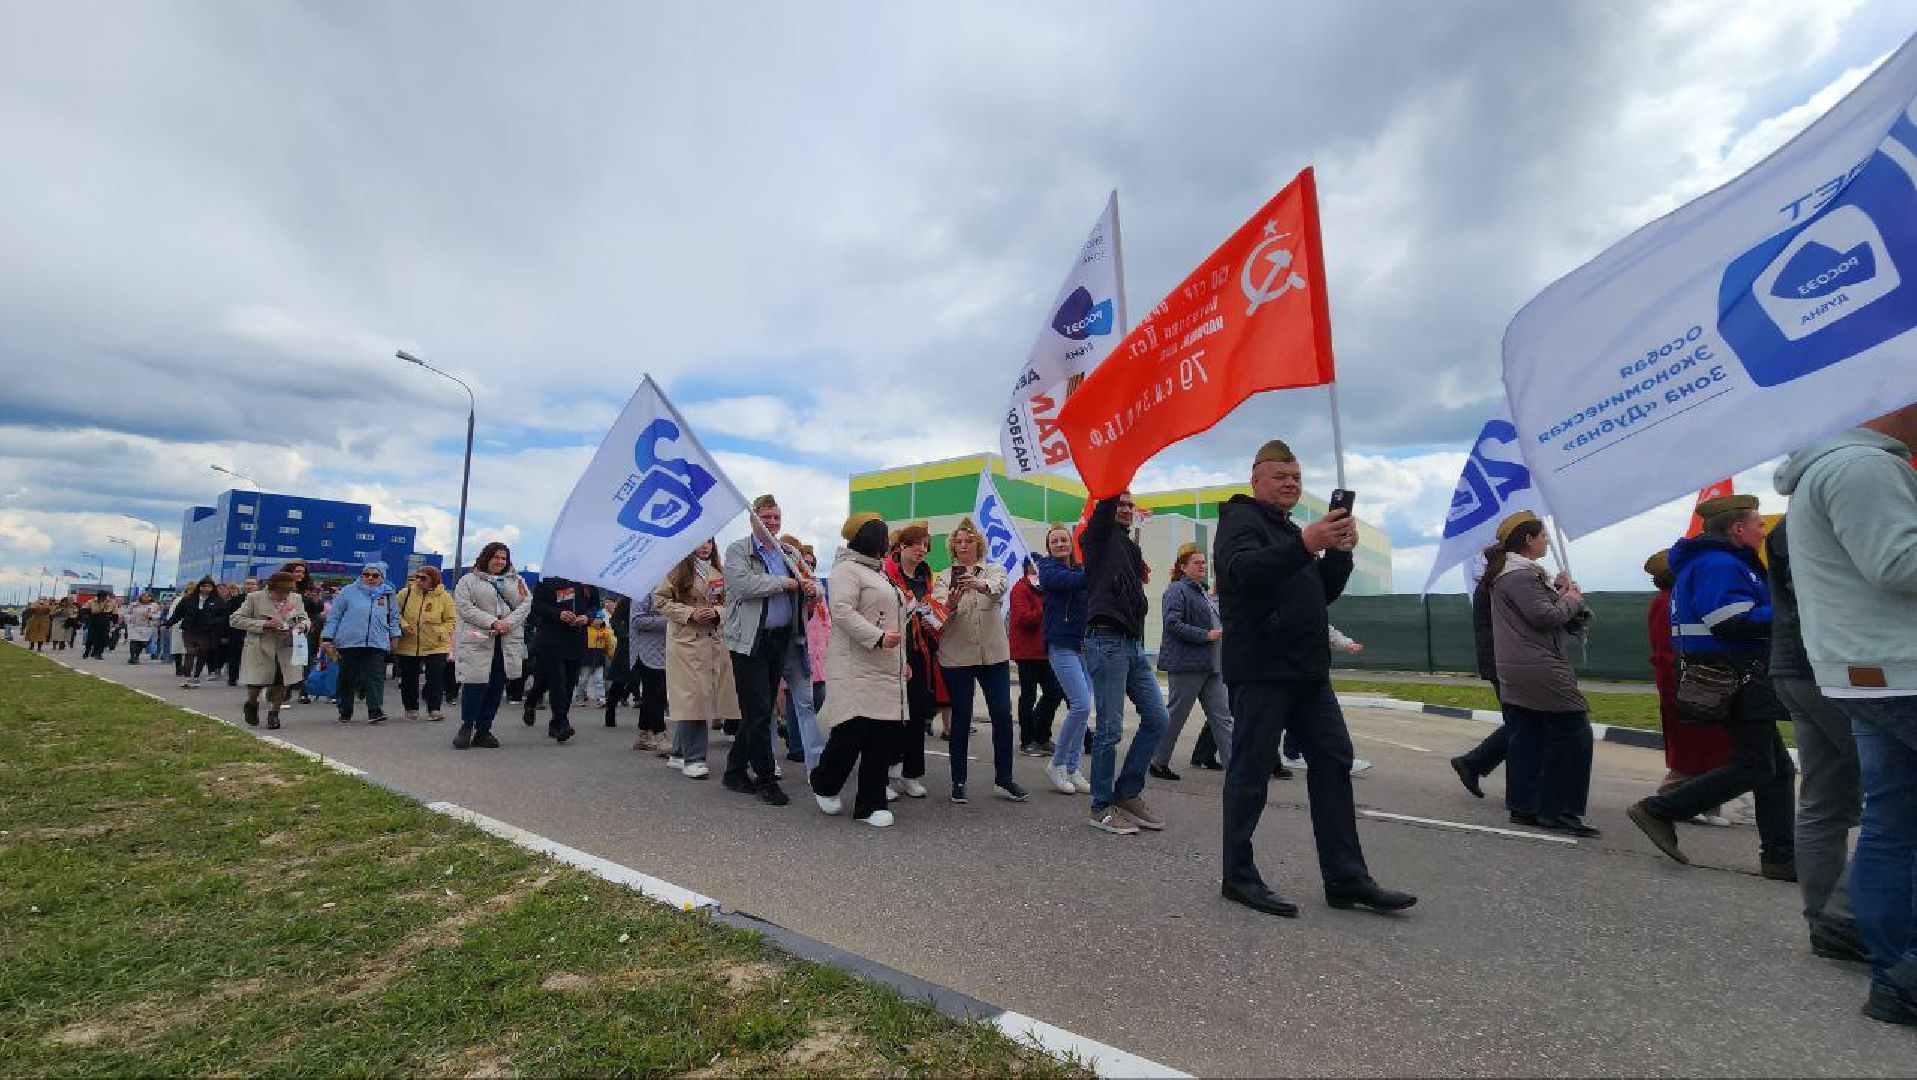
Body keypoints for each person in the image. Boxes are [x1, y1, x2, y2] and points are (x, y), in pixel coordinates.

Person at [1214, 439, 1416, 917]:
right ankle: (1238, 876)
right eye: (1280, 476)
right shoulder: (1240, 521)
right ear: (1256, 480)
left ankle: (1345, 878)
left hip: (1307, 670)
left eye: (1297, 477)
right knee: (1251, 770)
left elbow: (1318, 594)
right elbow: (1243, 573)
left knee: (1333, 758)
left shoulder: (1290, 530)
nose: (1291, 483)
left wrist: (1339, 552)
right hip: (1263, 669)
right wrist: (1306, 543)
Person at [1772, 404, 1917, 1026]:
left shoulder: (1832, 468)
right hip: (1902, 667)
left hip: (1868, 669)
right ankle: (1902, 972)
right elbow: (1897, 563)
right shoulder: (1862, 466)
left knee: (1891, 821)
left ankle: (1894, 969)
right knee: (1881, 819)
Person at [1626, 495, 1797, 880]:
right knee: (1757, 766)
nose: (1762, 531)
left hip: (1733, 675)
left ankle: (1780, 856)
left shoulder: (1714, 562)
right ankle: (1659, 810)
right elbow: (1729, 620)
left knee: (1777, 769)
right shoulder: (1720, 564)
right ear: (1738, 529)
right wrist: (1791, 611)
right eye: (1757, 524)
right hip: (1736, 676)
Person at [1766, 518, 1869, 964]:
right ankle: (1844, 918)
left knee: (1823, 801)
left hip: (1798, 665)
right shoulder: (1836, 506)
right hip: (1840, 667)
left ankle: (1825, 919)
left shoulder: (1789, 525)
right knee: (1896, 796)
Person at [1484, 511, 1597, 836]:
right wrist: (1572, 599)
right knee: (1573, 734)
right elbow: (1544, 617)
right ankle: (1559, 809)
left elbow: (1536, 612)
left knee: (1528, 735)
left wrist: (1559, 591)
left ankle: (1525, 805)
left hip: (1519, 666)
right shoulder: (1520, 576)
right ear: (1528, 540)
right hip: (1539, 666)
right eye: (1543, 535)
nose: (1546, 540)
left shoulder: (1511, 575)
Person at [1079, 492, 1171, 835]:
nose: (1127, 509)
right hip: (1106, 641)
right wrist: (1112, 486)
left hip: (1132, 645)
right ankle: (1101, 806)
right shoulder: (1096, 536)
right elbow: (1104, 505)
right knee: (1110, 729)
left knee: (1158, 718)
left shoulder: (1129, 547)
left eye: (1130, 504)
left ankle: (1128, 793)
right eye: (1120, 504)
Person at [811, 512, 908, 827]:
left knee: (880, 736)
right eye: (882, 535)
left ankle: (870, 804)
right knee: (851, 730)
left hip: (883, 664)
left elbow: (895, 621)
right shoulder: (846, 570)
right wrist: (877, 637)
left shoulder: (881, 573)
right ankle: (824, 782)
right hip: (856, 663)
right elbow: (841, 611)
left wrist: (902, 661)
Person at [721, 495, 819, 804]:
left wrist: (812, 589)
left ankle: (734, 771)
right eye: (766, 517)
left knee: (759, 711)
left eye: (776, 517)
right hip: (750, 640)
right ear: (753, 520)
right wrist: (785, 583)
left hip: (781, 639)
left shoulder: (789, 552)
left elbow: (809, 580)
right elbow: (744, 586)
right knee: (759, 711)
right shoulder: (738, 550)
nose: (772, 523)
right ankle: (765, 779)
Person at [932, 518, 1027, 803]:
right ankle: (958, 781)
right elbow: (937, 616)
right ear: (952, 547)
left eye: (968, 541)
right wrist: (950, 603)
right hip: (957, 656)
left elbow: (999, 588)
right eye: (958, 542)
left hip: (993, 655)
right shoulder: (943, 578)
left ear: (978, 545)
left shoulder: (994, 570)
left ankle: (1004, 779)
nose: (963, 546)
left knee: (1002, 716)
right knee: (961, 719)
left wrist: (979, 584)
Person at [1645, 550, 1734, 822]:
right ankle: (1671, 800)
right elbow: (1668, 648)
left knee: (1708, 745)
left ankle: (1706, 805)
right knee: (1694, 748)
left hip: (1689, 680)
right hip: (1683, 682)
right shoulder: (1667, 602)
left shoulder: (1673, 599)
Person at [655, 538, 735, 779]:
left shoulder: (718, 571)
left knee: (697, 697)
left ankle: (679, 753)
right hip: (687, 641)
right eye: (700, 541)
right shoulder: (676, 569)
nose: (705, 546)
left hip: (712, 640)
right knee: (694, 698)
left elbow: (731, 602)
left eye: (709, 541)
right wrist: (690, 613)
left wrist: (716, 612)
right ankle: (695, 758)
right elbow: (660, 600)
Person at [1153, 543, 1233, 783]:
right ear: (1183, 567)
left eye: (1203, 562)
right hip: (1187, 665)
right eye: (1197, 562)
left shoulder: (1201, 591)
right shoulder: (1177, 590)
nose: (1202, 566)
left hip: (1212, 665)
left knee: (1223, 717)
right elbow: (1172, 623)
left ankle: (1236, 769)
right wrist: (1205, 635)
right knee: (1176, 716)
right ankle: (1157, 762)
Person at [451, 542, 532, 749]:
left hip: (505, 640)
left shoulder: (517, 581)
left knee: (496, 686)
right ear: (486, 557)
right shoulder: (468, 580)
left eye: (504, 558)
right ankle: (467, 726)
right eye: (496, 557)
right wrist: (492, 622)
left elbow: (525, 605)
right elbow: (465, 607)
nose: (500, 561)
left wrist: (507, 623)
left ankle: (484, 729)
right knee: (475, 683)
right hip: (478, 637)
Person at [883, 523, 939, 800]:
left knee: (917, 712)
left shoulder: (925, 576)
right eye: (917, 544)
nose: (922, 550)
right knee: (890, 715)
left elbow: (930, 610)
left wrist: (934, 620)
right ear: (902, 546)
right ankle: (884, 774)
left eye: (926, 545)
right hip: (892, 647)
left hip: (919, 650)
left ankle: (911, 774)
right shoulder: (886, 573)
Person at [1037, 524, 1092, 795]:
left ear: (1071, 544)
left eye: (1063, 540)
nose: (1060, 544)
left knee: (1084, 709)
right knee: (1080, 704)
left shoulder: (1080, 569)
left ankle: (1072, 767)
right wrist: (1099, 567)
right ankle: (1057, 763)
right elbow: (1072, 582)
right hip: (1060, 645)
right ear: (1049, 548)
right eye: (1054, 541)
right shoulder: (1047, 569)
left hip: (1084, 647)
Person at [1450, 565, 1511, 799]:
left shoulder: (1493, 584)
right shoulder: (1495, 584)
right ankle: (1473, 763)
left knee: (1523, 724)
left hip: (1503, 662)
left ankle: (1474, 764)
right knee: (1523, 724)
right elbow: (1529, 614)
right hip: (1505, 663)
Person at [230, 572, 312, 730]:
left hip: (285, 645)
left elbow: (304, 617)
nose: (284, 595)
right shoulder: (255, 598)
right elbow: (235, 619)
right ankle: (251, 704)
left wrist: (303, 625)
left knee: (283, 680)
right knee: (257, 681)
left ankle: (274, 713)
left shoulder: (295, 598)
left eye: (288, 592)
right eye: (282, 592)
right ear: (272, 588)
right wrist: (265, 624)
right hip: (261, 646)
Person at [321, 563, 400, 725]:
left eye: (375, 575)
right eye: (366, 575)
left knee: (375, 677)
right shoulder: (348, 591)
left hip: (376, 641)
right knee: (347, 678)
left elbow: (393, 617)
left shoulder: (388, 594)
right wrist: (328, 638)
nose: (370, 578)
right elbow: (335, 616)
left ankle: (375, 710)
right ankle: (345, 710)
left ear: (382, 578)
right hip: (349, 642)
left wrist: (395, 636)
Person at [526, 574, 599, 743]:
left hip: (575, 640)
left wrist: (586, 617)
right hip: (552, 639)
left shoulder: (587, 581)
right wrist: (558, 614)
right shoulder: (549, 579)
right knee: (556, 681)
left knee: (569, 682)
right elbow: (537, 606)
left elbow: (595, 607)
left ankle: (555, 721)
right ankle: (561, 722)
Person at [1009, 555, 1060, 757]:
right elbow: (1023, 619)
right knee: (1028, 696)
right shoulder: (1020, 589)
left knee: (1054, 692)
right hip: (1027, 651)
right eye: (1033, 566)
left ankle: (1041, 734)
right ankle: (1027, 740)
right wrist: (1044, 608)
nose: (1037, 570)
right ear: (1026, 568)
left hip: (1045, 650)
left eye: (1040, 566)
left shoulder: (1044, 589)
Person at [393, 566, 456, 722]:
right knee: (409, 677)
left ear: (433, 580)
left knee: (435, 676)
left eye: (423, 578)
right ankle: (411, 708)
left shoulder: (445, 597)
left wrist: (440, 631)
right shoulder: (405, 593)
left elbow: (451, 620)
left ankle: (434, 709)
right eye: (417, 577)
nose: (419, 581)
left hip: (436, 644)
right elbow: (394, 613)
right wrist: (403, 625)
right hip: (409, 642)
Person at [168, 578, 227, 688]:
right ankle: (187, 676)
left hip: (207, 632)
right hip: (190, 630)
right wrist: (167, 624)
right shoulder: (188, 599)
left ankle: (196, 677)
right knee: (190, 651)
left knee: (202, 654)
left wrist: (214, 623)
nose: (206, 588)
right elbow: (178, 614)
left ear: (212, 588)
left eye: (209, 586)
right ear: (199, 587)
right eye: (203, 586)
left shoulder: (218, 601)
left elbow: (223, 617)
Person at [220, 580, 254, 685]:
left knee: (252, 658)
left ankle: (251, 679)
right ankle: (232, 678)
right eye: (247, 584)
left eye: (253, 584)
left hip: (254, 631)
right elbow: (227, 618)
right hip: (236, 632)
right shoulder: (235, 600)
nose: (250, 586)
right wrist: (224, 634)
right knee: (234, 656)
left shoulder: (262, 600)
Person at [579, 610, 612, 706]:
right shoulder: (586, 630)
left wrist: (610, 654)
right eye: (597, 618)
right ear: (592, 619)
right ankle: (580, 696)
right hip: (586, 659)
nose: (599, 620)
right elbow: (580, 643)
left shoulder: (604, 631)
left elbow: (608, 644)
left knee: (599, 680)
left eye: (601, 618)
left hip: (599, 659)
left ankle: (600, 698)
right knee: (583, 680)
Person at [121, 592, 161, 664]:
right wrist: (130, 619)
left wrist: (151, 616)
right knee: (134, 641)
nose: (146, 598)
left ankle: (137, 655)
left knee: (142, 643)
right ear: (141, 597)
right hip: (134, 626)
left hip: (147, 627)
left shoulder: (154, 606)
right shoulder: (134, 605)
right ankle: (133, 657)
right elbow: (126, 613)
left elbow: (158, 615)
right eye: (144, 596)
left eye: (148, 596)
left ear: (151, 598)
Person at [81, 591, 118, 659]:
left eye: (104, 597)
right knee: (91, 637)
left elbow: (115, 613)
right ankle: (87, 651)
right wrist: (86, 619)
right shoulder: (92, 601)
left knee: (103, 638)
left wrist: (115, 623)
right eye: (100, 598)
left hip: (105, 620)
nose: (102, 599)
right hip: (94, 620)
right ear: (98, 597)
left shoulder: (112, 602)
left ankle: (98, 653)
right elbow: (83, 610)